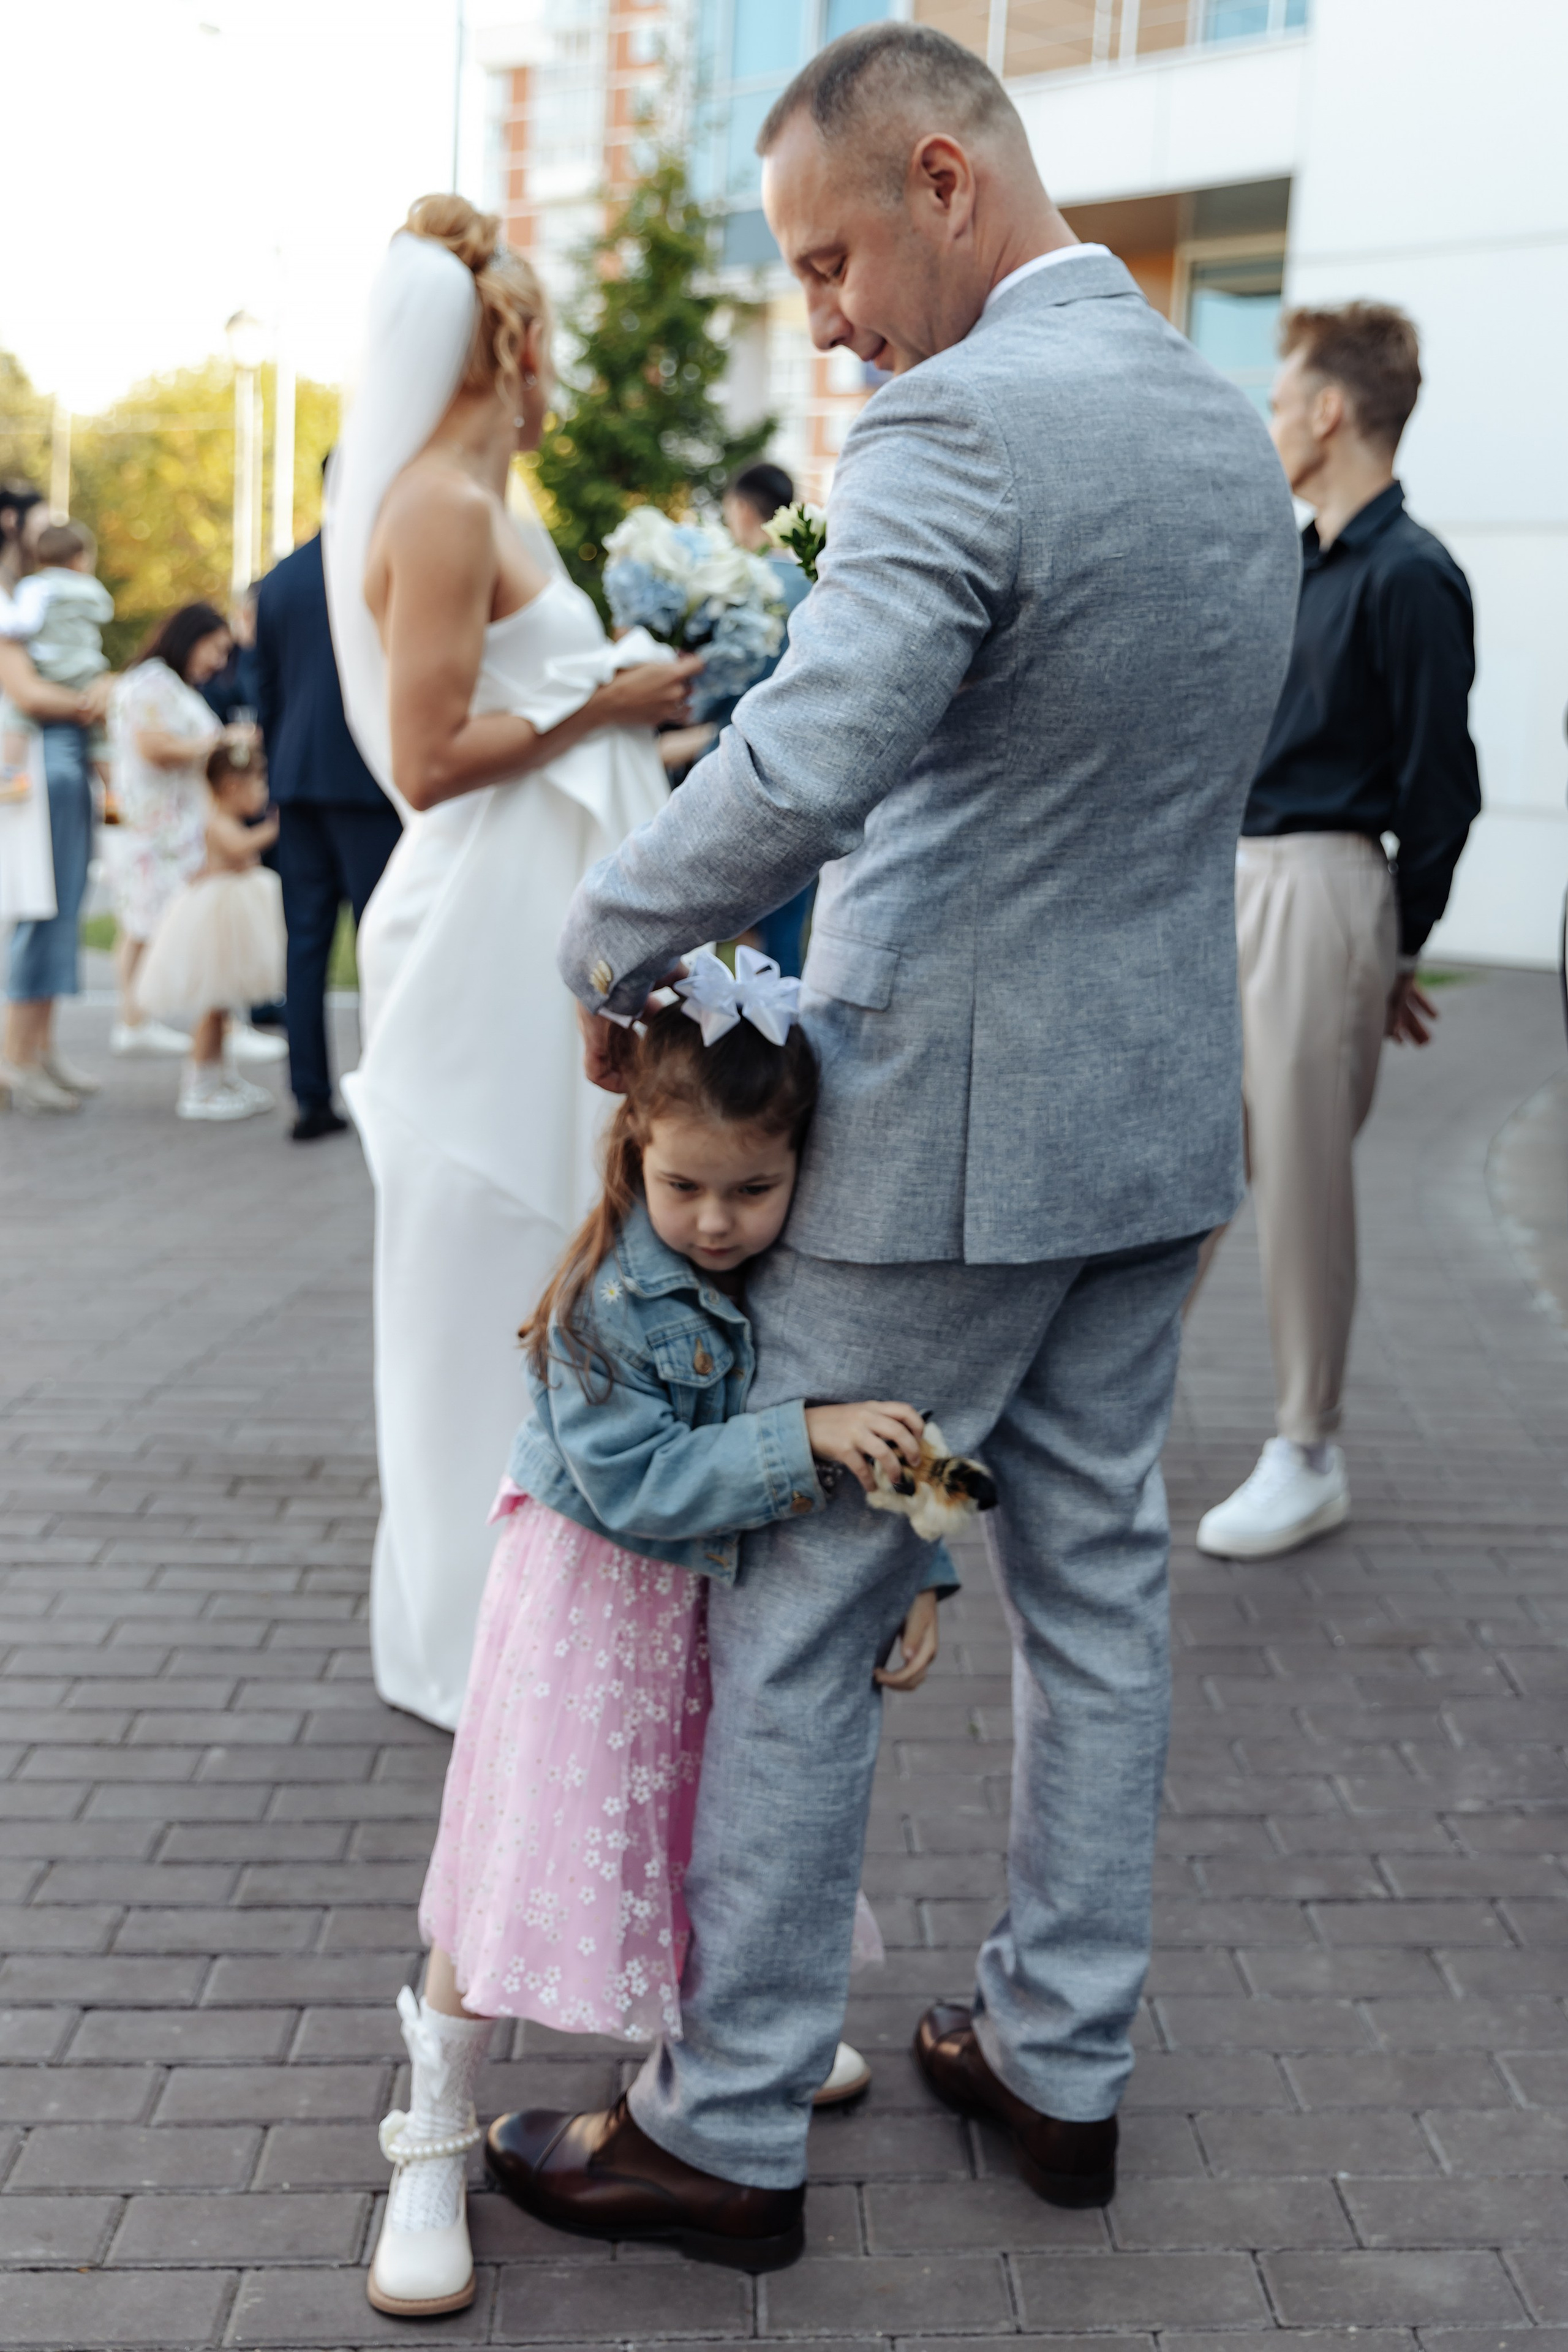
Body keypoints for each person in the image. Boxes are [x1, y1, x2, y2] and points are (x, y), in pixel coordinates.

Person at [480, 22, 1300, 2264]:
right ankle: (1060, 2067)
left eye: (828, 259)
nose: (823, 317)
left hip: (936, 1151)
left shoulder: (955, 429)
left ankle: (727, 2126)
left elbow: (808, 767)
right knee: (1098, 1584)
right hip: (1147, 1131)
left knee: (811, 1597)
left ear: (941, 177)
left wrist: (599, 932)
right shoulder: (1226, 432)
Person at [367, 976, 943, 2317]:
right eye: (686, 1186)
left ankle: (726, 2048)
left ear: (800, 1160)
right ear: (633, 1147)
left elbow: (876, 1431)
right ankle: (435, 2128)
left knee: (709, 1821)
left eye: (753, 1188)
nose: (717, 1222)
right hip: (587, 1606)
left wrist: (919, 1568)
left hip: (708, 1605)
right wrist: (798, 1436)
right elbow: (633, 1482)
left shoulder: (793, 1259)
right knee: (518, 1843)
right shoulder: (606, 1298)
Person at [324, 195, 701, 1733]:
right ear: (508, 340)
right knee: (476, 1273)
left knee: (563, 1258)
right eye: (543, 332)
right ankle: (459, 1639)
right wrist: (607, 707)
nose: (555, 363)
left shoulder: (506, 498)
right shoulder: (437, 507)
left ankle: (549, 1607)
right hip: (478, 934)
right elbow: (425, 758)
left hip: (550, 920)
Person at [1194, 304, 1480, 1561]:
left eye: (1276, 399)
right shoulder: (1297, 561)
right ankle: (1101, 1415)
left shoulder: (1410, 575)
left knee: (1300, 1185)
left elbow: (1438, 783)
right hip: (1241, 881)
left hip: (1322, 886)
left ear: (1326, 412)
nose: (1266, 422)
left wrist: (1389, 945)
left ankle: (1307, 1449)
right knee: (1184, 1163)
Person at [254, 519, 402, 1140]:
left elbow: (264, 688)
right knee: (384, 940)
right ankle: (391, 1090)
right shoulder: (384, 562)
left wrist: (276, 769)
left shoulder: (281, 577)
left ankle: (310, 1097)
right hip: (365, 782)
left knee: (306, 946)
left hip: (296, 779)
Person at [105, 601, 260, 1058]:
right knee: (162, 924)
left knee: (145, 923)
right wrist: (225, 742)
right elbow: (153, 747)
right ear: (191, 637)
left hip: (166, 827)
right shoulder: (153, 683)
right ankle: (184, 1024)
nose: (218, 661)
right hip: (162, 829)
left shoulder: (168, 685)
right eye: (216, 649)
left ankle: (143, 1019)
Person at [0, 534, 111, 1112]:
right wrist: (93, 699)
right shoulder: (16, 610)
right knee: (42, 907)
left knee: (63, 906)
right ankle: (16, 1056)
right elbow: (23, 690)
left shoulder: (33, 605)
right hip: (41, 766)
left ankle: (38, 1048)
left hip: (60, 762)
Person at [134, 740, 285, 1122]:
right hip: (218, 916)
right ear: (232, 788)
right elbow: (240, 848)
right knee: (214, 1007)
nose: (263, 793)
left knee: (225, 1007)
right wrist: (274, 828)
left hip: (233, 909)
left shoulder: (224, 818)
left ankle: (223, 1077)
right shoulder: (219, 822)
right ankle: (199, 1086)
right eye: (257, 785)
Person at [719, 463, 816, 974]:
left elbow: (723, 691)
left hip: (736, 771)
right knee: (784, 940)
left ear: (741, 509)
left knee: (722, 935)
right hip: (808, 777)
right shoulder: (819, 582)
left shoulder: (745, 586)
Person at [0, 520, 115, 774]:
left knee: (15, 715)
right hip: (87, 668)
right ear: (80, 559)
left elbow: (23, 624)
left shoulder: (36, 586)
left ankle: (10, 772)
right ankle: (112, 790)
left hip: (51, 666)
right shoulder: (92, 588)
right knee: (101, 735)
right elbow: (105, 612)